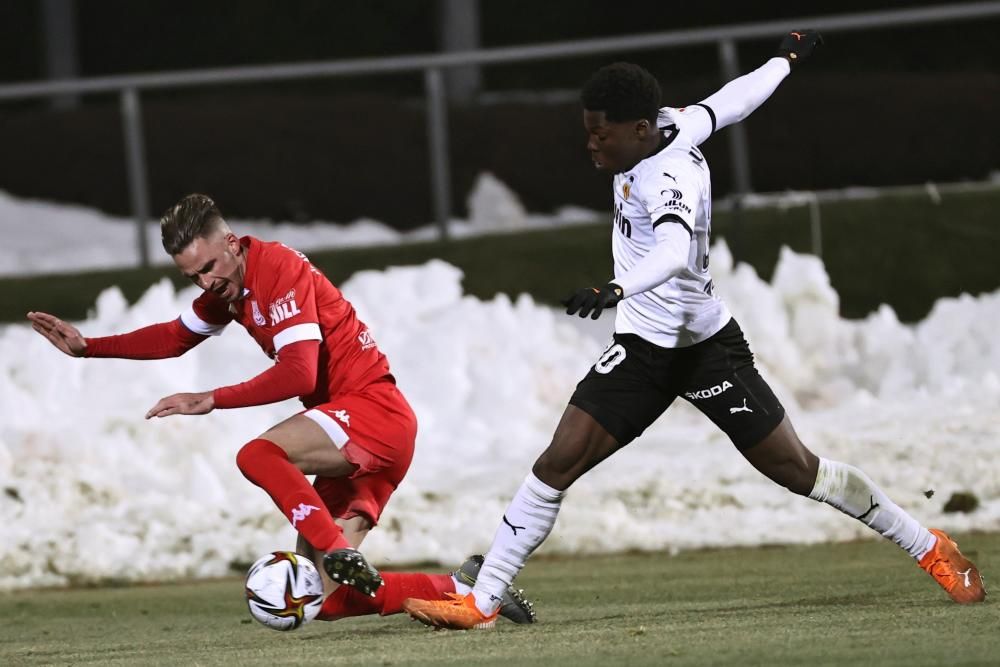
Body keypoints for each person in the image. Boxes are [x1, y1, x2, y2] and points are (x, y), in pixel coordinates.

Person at [402, 30, 986, 630]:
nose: (591, 145)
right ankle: (483, 599)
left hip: (707, 350)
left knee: (798, 471)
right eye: (588, 131)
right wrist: (782, 61)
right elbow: (732, 100)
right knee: (559, 460)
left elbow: (677, 249)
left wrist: (615, 289)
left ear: (637, 130)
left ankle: (928, 545)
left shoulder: (665, 176)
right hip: (641, 352)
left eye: (601, 134)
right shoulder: (671, 123)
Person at [27, 193, 534, 625]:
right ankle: (466, 586)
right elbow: (175, 336)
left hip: (372, 411)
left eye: (207, 268)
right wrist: (89, 346)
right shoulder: (229, 286)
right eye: (191, 276)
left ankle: (339, 550)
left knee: (258, 456)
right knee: (323, 599)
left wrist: (211, 399)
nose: (204, 282)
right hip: (351, 430)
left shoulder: (277, 269)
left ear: (232, 242)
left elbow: (299, 374)